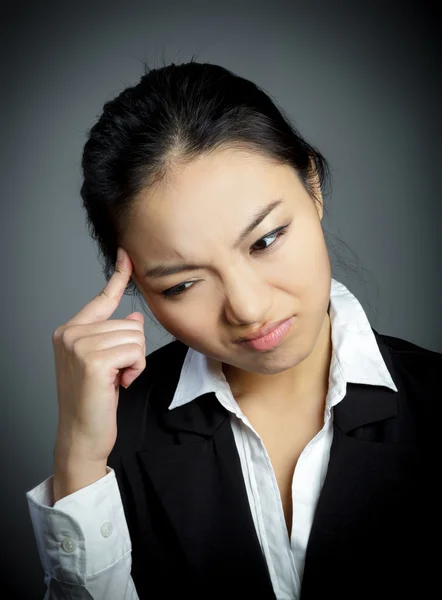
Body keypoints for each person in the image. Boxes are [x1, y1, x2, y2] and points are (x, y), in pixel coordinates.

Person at [26, 59, 440, 600]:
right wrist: (78, 460)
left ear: (312, 184)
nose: (246, 308)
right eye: (181, 284)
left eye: (265, 241)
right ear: (136, 286)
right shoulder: (110, 448)